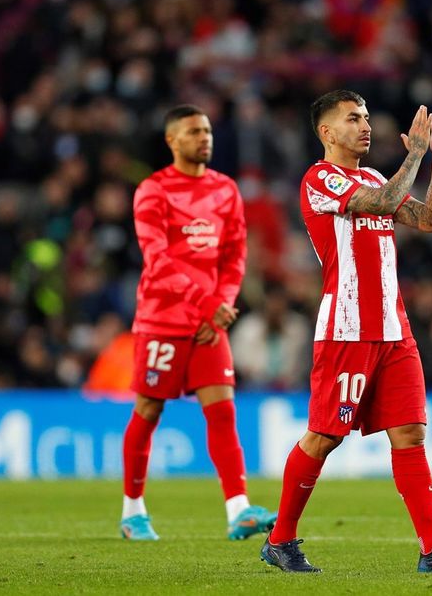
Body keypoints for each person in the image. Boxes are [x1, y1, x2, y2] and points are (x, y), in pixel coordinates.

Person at [261, 90, 432, 574]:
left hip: (393, 328)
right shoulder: (319, 179)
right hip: (347, 328)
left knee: (410, 432)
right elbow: (383, 203)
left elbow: (431, 220)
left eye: (365, 117)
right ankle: (280, 541)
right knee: (324, 437)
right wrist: (415, 154)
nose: (365, 125)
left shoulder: (372, 175)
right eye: (352, 118)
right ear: (326, 132)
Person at [119, 104, 275, 542]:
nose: (204, 138)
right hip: (163, 320)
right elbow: (157, 259)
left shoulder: (226, 190)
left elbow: (234, 255)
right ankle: (133, 512)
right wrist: (207, 303)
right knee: (148, 411)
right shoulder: (153, 190)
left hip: (209, 323)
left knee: (223, 411)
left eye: (206, 130)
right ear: (172, 140)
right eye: (193, 132)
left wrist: (221, 304)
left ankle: (239, 510)